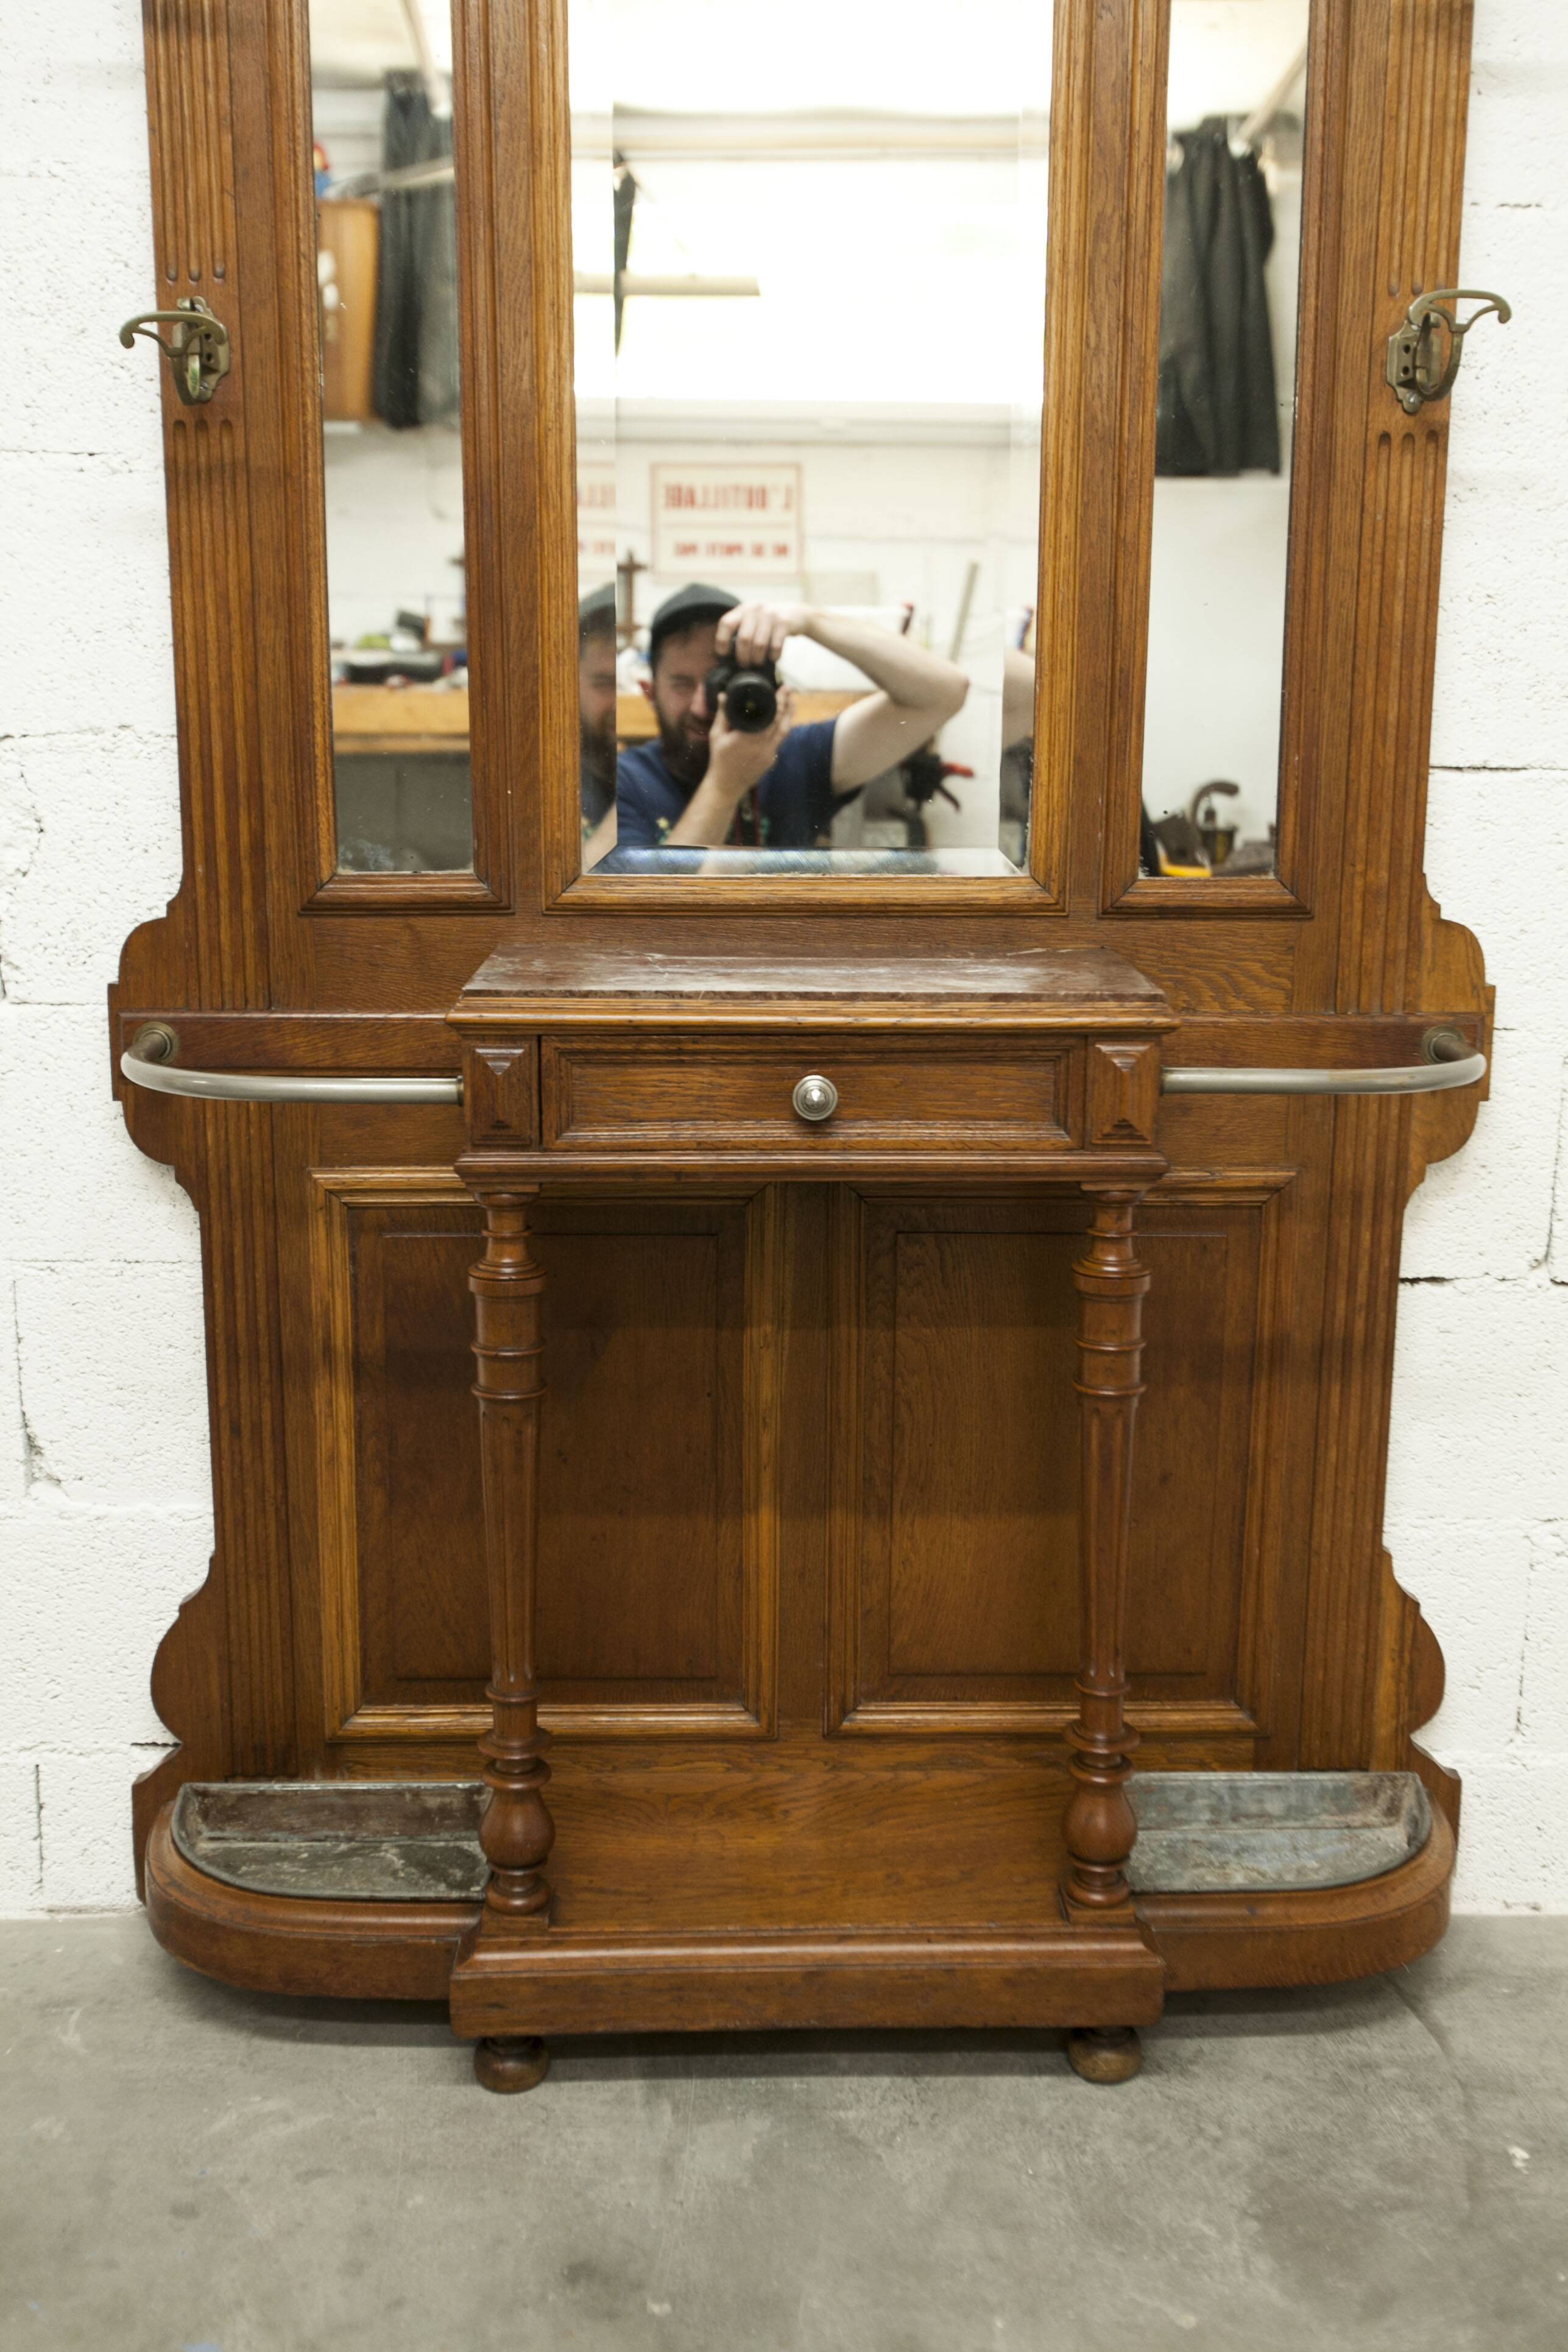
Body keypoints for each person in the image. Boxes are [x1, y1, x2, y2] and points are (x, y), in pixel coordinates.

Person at [615, 585, 969, 852]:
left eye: (715, 682)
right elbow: (650, 919)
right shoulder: (627, 782)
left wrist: (810, 621)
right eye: (680, 683)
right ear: (649, 691)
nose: (701, 706)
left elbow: (946, 692)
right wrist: (726, 785)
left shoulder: (793, 757)